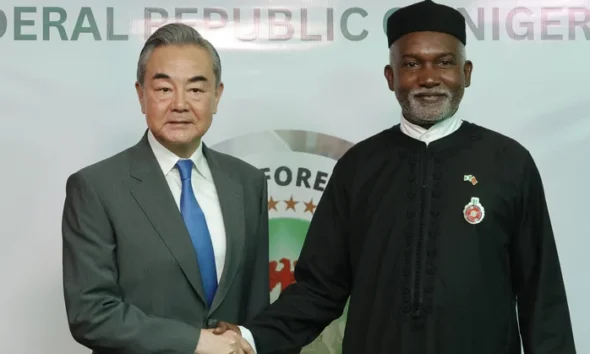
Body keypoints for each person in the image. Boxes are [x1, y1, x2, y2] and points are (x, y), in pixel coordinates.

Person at [212, 0, 577, 353]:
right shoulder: (359, 166)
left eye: (444, 63)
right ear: (391, 76)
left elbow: (541, 296)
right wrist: (252, 336)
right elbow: (319, 289)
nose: (429, 78)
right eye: (412, 64)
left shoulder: (509, 162)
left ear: (466, 73)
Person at [61, 23, 268, 354]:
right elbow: (91, 313)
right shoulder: (96, 188)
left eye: (197, 90)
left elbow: (255, 304)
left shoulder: (248, 182)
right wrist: (194, 341)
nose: (180, 104)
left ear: (217, 96)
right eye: (164, 89)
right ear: (141, 94)